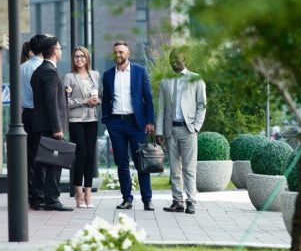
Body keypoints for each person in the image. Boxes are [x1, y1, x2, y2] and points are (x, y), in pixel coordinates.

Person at [101, 40, 155, 210]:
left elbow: (148, 98)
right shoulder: (108, 75)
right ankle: (127, 199)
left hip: (136, 122)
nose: (118, 55)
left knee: (141, 161)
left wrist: (150, 121)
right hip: (116, 123)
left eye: (121, 52)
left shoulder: (140, 72)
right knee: (121, 162)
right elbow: (106, 100)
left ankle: (147, 199)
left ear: (128, 54)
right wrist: (107, 120)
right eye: (116, 52)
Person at [156, 48, 207, 214]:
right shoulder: (165, 81)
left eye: (177, 59)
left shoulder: (196, 79)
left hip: (188, 130)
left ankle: (191, 201)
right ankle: (177, 201)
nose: (174, 62)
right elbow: (162, 108)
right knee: (174, 169)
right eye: (172, 59)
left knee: (189, 168)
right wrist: (159, 131)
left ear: (185, 60)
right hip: (170, 130)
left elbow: (202, 105)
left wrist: (196, 126)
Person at [30, 35, 71, 211]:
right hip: (50, 126)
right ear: (54, 51)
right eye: (60, 48)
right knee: (55, 163)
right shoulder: (49, 71)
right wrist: (57, 129)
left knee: (41, 164)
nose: (61, 51)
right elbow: (50, 103)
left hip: (41, 125)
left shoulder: (40, 70)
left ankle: (39, 198)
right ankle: (52, 199)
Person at [64, 46, 102, 208]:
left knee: (90, 156)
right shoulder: (69, 77)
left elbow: (100, 97)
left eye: (82, 56)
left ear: (87, 58)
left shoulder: (95, 75)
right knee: (81, 154)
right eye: (76, 57)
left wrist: (96, 101)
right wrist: (83, 101)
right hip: (76, 120)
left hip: (92, 119)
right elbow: (65, 103)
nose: (79, 59)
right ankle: (78, 193)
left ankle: (88, 193)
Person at [21, 33, 49, 209]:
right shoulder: (43, 68)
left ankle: (30, 195)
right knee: (42, 155)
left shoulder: (21, 67)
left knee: (29, 156)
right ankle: (39, 195)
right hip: (40, 113)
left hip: (26, 114)